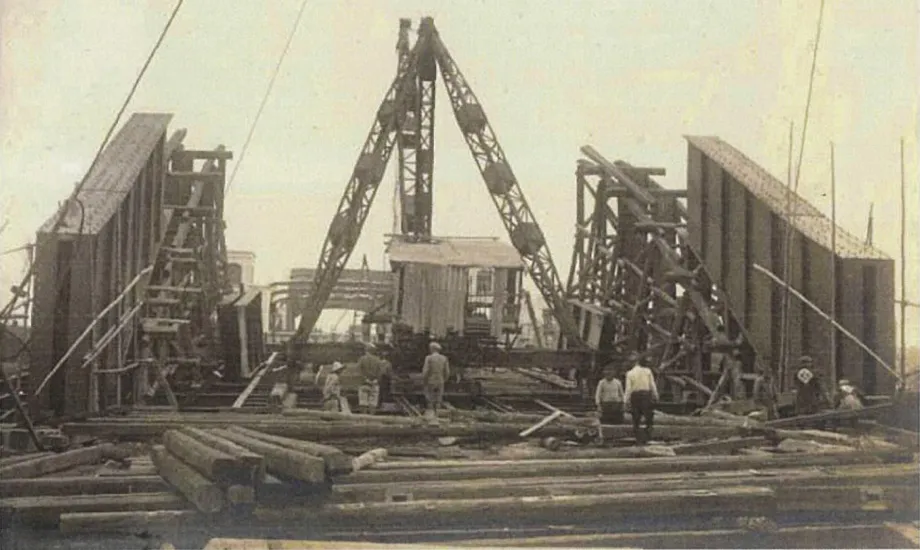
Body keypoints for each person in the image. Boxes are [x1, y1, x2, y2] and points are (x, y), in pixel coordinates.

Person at [625, 356, 659, 444]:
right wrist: (655, 395)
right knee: (648, 417)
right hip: (646, 395)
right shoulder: (648, 371)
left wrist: (626, 401)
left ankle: (638, 438)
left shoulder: (630, 373)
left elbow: (628, 388)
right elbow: (652, 385)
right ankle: (648, 436)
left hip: (635, 395)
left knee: (636, 418)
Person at [422, 341, 450, 417]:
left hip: (430, 381)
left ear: (432, 349)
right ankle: (438, 415)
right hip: (440, 381)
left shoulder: (428, 358)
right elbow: (447, 372)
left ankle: (431, 417)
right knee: (438, 399)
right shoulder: (444, 358)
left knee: (430, 399)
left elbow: (426, 371)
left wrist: (424, 380)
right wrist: (444, 380)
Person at [357, 343, 382, 415]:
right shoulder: (378, 360)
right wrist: (376, 379)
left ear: (366, 350)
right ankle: (372, 418)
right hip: (374, 383)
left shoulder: (362, 359)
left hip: (364, 383)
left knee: (363, 402)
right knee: (373, 403)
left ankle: (364, 420)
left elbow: (358, 371)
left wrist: (365, 379)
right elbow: (380, 372)